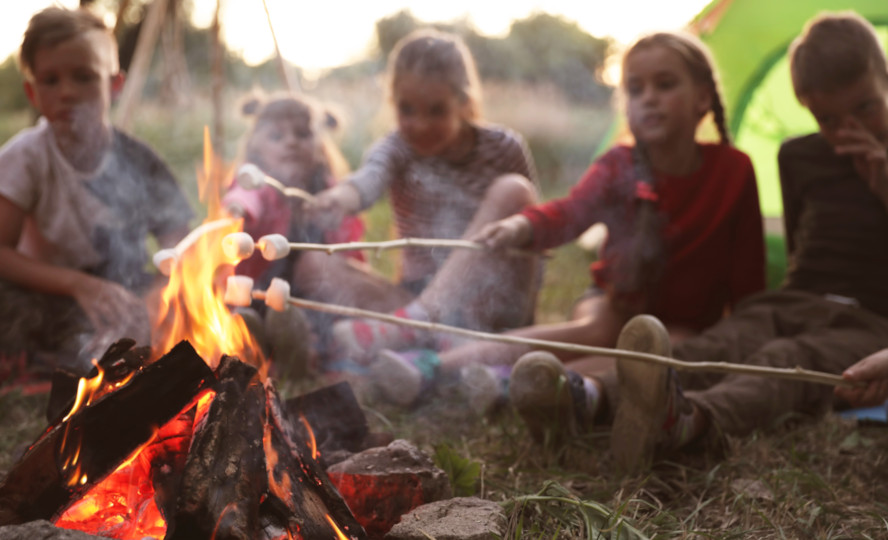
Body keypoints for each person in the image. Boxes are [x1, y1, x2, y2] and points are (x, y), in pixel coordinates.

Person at [372, 30, 768, 417]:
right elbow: (570, 212)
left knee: (661, 351)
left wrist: (748, 330)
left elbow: (748, 272)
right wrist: (521, 228)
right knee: (601, 332)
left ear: (702, 97)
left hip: (687, 322)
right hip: (613, 300)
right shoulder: (620, 165)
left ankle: (521, 385)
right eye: (635, 89)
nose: (649, 98)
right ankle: (433, 367)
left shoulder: (734, 171)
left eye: (664, 85)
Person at [600, 11, 888, 473]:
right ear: (806, 106)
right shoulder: (800, 156)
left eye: (865, 108)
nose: (846, 129)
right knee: (726, 340)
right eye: (828, 118)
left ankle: (689, 422)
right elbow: (797, 248)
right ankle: (588, 396)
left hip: (868, 320)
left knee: (785, 361)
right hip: (797, 297)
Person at [0, 6, 194, 392]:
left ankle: (55, 358)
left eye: (84, 77)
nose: (66, 92)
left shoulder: (140, 160)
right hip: (50, 298)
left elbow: (182, 248)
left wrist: (160, 296)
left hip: (122, 297)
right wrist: (81, 286)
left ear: (114, 85)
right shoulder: (29, 155)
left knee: (192, 307)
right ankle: (82, 355)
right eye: (50, 80)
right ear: (32, 92)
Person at [309, 29, 542, 401]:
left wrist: (523, 314)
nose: (419, 124)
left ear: (464, 102)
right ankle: (426, 345)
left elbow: (535, 232)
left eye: (436, 111)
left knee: (514, 190)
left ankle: (415, 333)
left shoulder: (504, 147)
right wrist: (340, 197)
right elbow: (369, 178)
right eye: (406, 110)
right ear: (393, 101)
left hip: (492, 303)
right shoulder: (397, 148)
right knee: (312, 264)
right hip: (417, 297)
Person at [220, 92, 371, 378]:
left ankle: (300, 356)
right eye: (276, 136)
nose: (290, 142)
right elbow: (246, 196)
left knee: (310, 319)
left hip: (312, 294)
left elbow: (348, 244)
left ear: (319, 144)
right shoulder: (260, 183)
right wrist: (236, 209)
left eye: (302, 134)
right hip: (259, 286)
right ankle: (255, 344)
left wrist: (352, 273)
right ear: (256, 147)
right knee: (252, 312)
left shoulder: (328, 192)